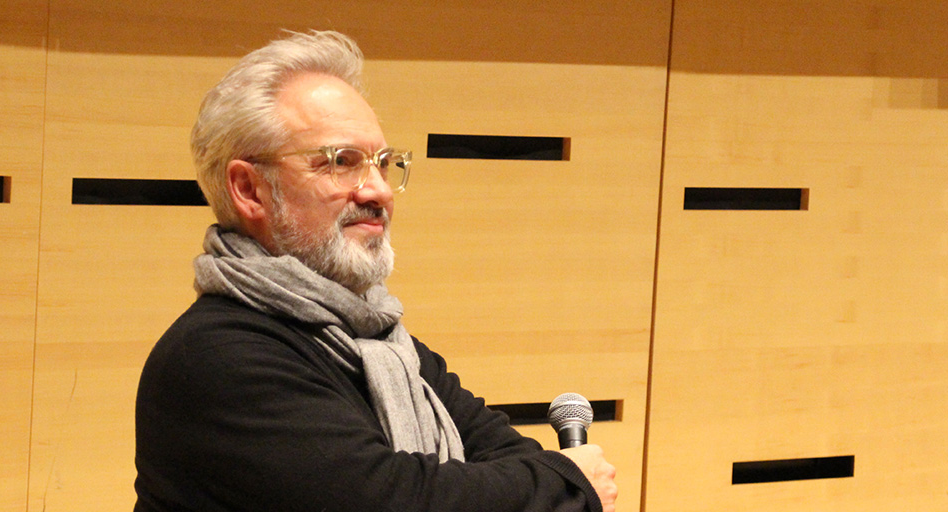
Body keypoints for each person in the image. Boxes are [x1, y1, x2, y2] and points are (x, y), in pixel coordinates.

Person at [134, 30, 617, 512]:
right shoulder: (217, 358)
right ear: (249, 189)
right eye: (340, 162)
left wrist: (544, 486)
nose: (377, 191)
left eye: (384, 164)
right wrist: (571, 484)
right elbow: (391, 500)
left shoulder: (381, 338)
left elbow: (503, 453)